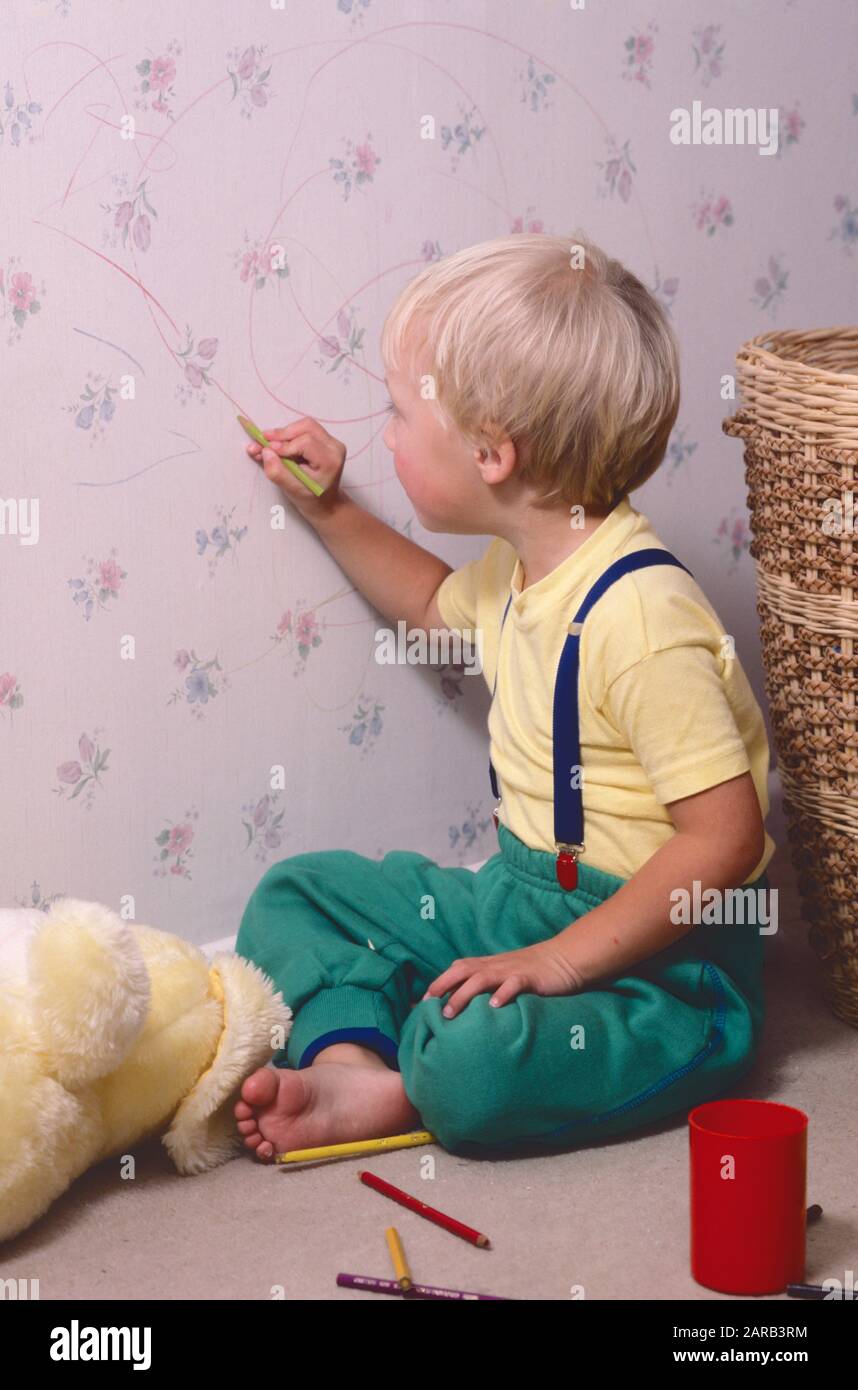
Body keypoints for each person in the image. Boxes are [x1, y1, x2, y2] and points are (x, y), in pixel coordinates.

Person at [233, 232, 775, 1161]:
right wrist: (328, 505)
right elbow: (430, 607)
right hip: (523, 898)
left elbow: (723, 840)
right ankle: (360, 1063)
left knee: (475, 1064)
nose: (388, 435)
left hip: (666, 958)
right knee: (300, 892)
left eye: (400, 416)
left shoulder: (643, 616)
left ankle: (419, 1078)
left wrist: (558, 964)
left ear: (491, 453)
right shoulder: (522, 569)